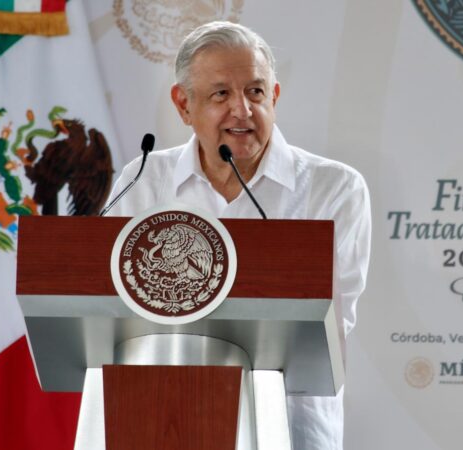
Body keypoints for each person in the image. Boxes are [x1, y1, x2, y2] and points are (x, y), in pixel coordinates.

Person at [107, 21, 371, 450]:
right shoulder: (143, 180)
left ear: (275, 96)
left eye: (255, 91)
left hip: (286, 425)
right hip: (162, 419)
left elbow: (328, 332)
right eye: (220, 94)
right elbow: (117, 311)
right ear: (183, 104)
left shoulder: (333, 187)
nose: (242, 111)